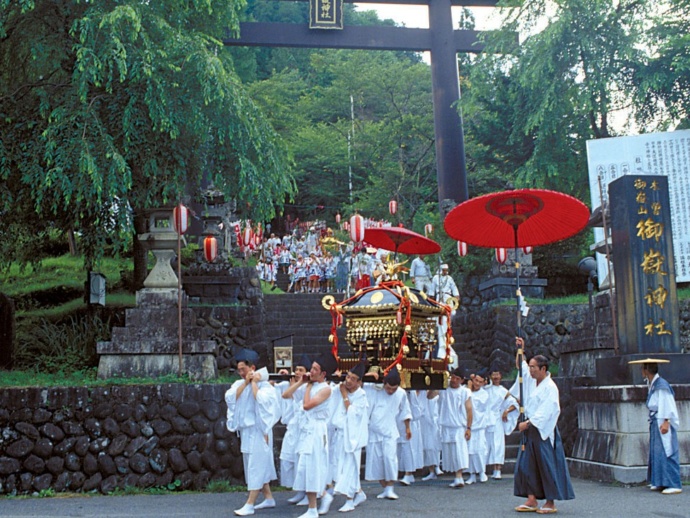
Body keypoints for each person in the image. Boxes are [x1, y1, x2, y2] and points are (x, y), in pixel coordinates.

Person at [513, 336, 574, 514]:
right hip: (530, 428)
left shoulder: (550, 387)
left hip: (543, 430)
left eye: (534, 367)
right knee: (527, 464)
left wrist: (529, 423)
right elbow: (521, 366)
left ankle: (550, 501)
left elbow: (549, 410)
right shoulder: (533, 381)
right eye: (530, 367)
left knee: (547, 465)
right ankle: (531, 498)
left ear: (543, 369)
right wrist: (520, 349)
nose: (530, 370)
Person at [225, 350, 282, 516]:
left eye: (243, 369)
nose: (241, 372)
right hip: (247, 431)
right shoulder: (238, 384)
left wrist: (255, 383)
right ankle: (269, 498)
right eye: (239, 370)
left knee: (256, 465)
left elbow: (263, 402)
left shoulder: (266, 387)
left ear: (252, 368)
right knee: (252, 463)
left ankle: (250, 503)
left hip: (260, 430)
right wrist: (246, 383)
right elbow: (230, 397)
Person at [282, 353, 337, 518]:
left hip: (316, 430)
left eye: (315, 369)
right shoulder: (310, 385)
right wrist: (300, 382)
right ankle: (323, 497)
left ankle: (313, 508)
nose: (311, 371)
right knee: (305, 467)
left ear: (323, 374)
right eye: (311, 368)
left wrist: (306, 387)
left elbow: (307, 405)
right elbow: (286, 395)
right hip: (305, 431)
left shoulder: (326, 389)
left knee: (312, 467)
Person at [630, 358, 682, 494]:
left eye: (642, 368)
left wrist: (666, 421)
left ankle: (673, 483)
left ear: (646, 370)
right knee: (657, 452)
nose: (641, 371)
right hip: (655, 420)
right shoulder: (653, 384)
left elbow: (668, 404)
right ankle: (660, 481)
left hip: (662, 419)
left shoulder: (661, 385)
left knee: (667, 450)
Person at [364, 368, 412, 500]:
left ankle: (390, 487)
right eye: (389, 388)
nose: (390, 391)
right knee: (376, 462)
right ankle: (385, 488)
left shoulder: (401, 393)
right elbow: (360, 383)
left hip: (390, 431)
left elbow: (405, 411)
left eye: (393, 389)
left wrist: (407, 428)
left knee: (390, 459)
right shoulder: (375, 389)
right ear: (384, 383)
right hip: (374, 431)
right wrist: (367, 376)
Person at [331, 361, 370, 512]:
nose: (348, 381)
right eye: (347, 377)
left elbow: (353, 413)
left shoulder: (361, 395)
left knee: (351, 466)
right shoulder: (340, 388)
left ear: (359, 382)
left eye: (352, 379)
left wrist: (344, 396)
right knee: (340, 466)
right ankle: (359, 492)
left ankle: (349, 499)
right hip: (340, 434)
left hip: (353, 436)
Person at [275, 355, 311, 505]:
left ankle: (307, 493)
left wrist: (299, 382)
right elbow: (277, 389)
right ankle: (298, 491)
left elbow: (288, 394)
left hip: (304, 428)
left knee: (301, 461)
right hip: (293, 427)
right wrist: (280, 375)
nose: (297, 372)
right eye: (296, 369)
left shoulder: (307, 386)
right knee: (288, 459)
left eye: (301, 370)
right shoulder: (290, 383)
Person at [429, 367, 472, 488]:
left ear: (462, 380)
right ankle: (456, 477)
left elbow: (469, 410)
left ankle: (459, 477)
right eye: (453, 377)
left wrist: (468, 428)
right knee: (450, 452)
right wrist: (435, 385)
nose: (453, 380)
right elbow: (430, 396)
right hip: (446, 425)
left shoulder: (465, 392)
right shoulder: (444, 387)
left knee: (459, 451)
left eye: (457, 378)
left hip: (459, 426)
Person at [484, 363, 509, 480]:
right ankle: (481, 469)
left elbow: (515, 402)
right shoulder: (486, 389)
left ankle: (497, 469)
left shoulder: (503, 391)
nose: (495, 377)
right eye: (493, 375)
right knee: (485, 444)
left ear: (501, 376)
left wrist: (506, 410)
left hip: (497, 419)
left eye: (497, 375)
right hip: (485, 419)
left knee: (497, 444)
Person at [429, 264, 459, 359]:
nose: (445, 272)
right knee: (439, 319)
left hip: (448, 299)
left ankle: (446, 340)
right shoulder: (435, 278)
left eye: (446, 270)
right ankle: (442, 344)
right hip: (439, 299)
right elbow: (431, 292)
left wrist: (456, 298)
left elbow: (455, 290)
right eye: (444, 270)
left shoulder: (449, 278)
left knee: (448, 316)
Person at [466, 369, 489, 484]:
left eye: (480, 382)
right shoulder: (467, 391)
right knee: (469, 451)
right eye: (475, 380)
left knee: (479, 450)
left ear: (484, 382)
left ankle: (482, 472)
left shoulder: (484, 394)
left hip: (479, 427)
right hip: (468, 426)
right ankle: (472, 474)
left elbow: (474, 405)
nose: (477, 383)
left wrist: (469, 390)